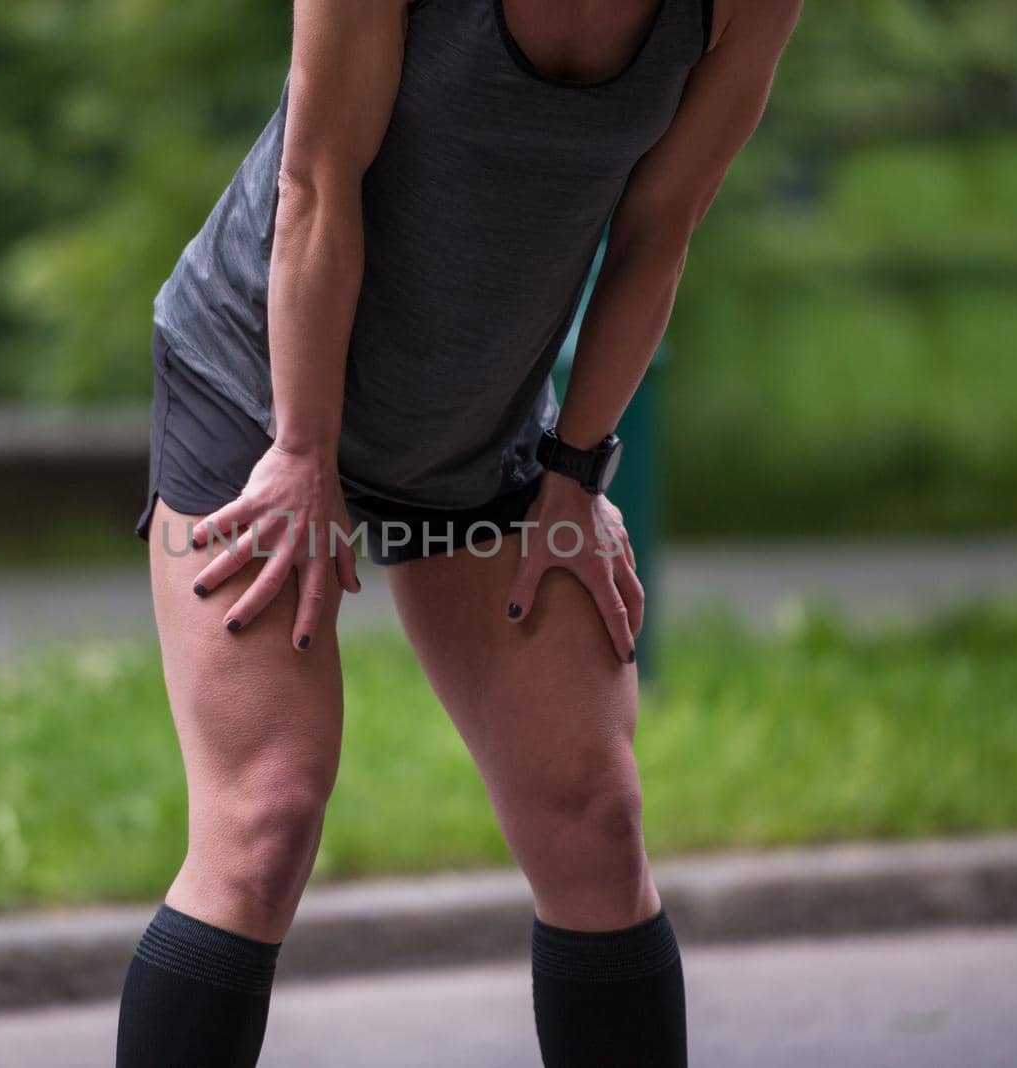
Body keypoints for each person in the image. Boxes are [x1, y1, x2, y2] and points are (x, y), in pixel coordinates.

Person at [114, 0, 800, 1064]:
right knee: (264, 824)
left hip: (479, 424)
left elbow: (661, 226)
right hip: (261, 393)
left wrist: (574, 472)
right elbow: (314, 183)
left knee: (593, 823)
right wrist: (301, 452)